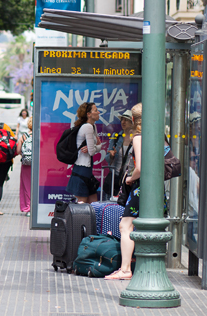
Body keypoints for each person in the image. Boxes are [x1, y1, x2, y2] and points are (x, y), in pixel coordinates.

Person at [105, 103, 142, 281]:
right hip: (153, 189)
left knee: (125, 226)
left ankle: (126, 269)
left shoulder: (138, 137)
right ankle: (130, 264)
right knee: (134, 225)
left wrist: (130, 179)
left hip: (140, 187)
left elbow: (140, 168)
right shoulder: (157, 136)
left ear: (133, 120)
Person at [65, 102, 102, 203]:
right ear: (88, 114)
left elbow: (93, 149)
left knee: (93, 202)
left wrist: (96, 147)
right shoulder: (88, 127)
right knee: (82, 202)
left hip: (86, 170)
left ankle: (91, 219)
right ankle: (76, 219)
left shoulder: (93, 126)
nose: (98, 112)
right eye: (95, 110)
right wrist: (98, 146)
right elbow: (92, 151)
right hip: (82, 169)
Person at [104, 110, 134, 199]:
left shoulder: (136, 138)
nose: (123, 122)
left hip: (128, 178)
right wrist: (111, 155)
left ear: (132, 122)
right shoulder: (116, 136)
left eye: (126, 120)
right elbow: (107, 159)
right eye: (122, 120)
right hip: (115, 178)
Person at [16, 116, 33, 216]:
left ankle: (28, 207)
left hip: (26, 164)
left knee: (26, 186)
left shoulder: (24, 136)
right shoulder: (40, 135)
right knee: (36, 186)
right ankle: (35, 207)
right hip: (37, 165)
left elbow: (18, 151)